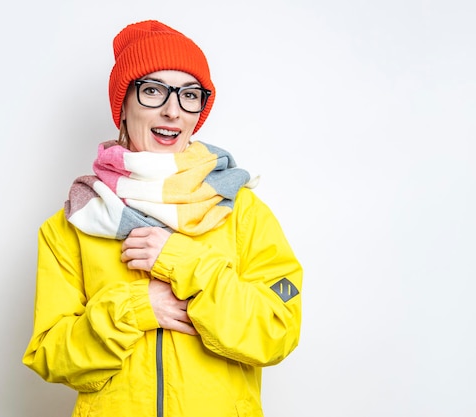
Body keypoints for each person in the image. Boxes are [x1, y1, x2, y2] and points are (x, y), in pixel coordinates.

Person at [23, 19, 303, 417]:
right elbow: (51, 355)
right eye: (153, 91)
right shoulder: (74, 222)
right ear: (123, 104)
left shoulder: (240, 211)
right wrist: (138, 308)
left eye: (189, 95)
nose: (172, 110)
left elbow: (276, 331)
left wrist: (182, 261)